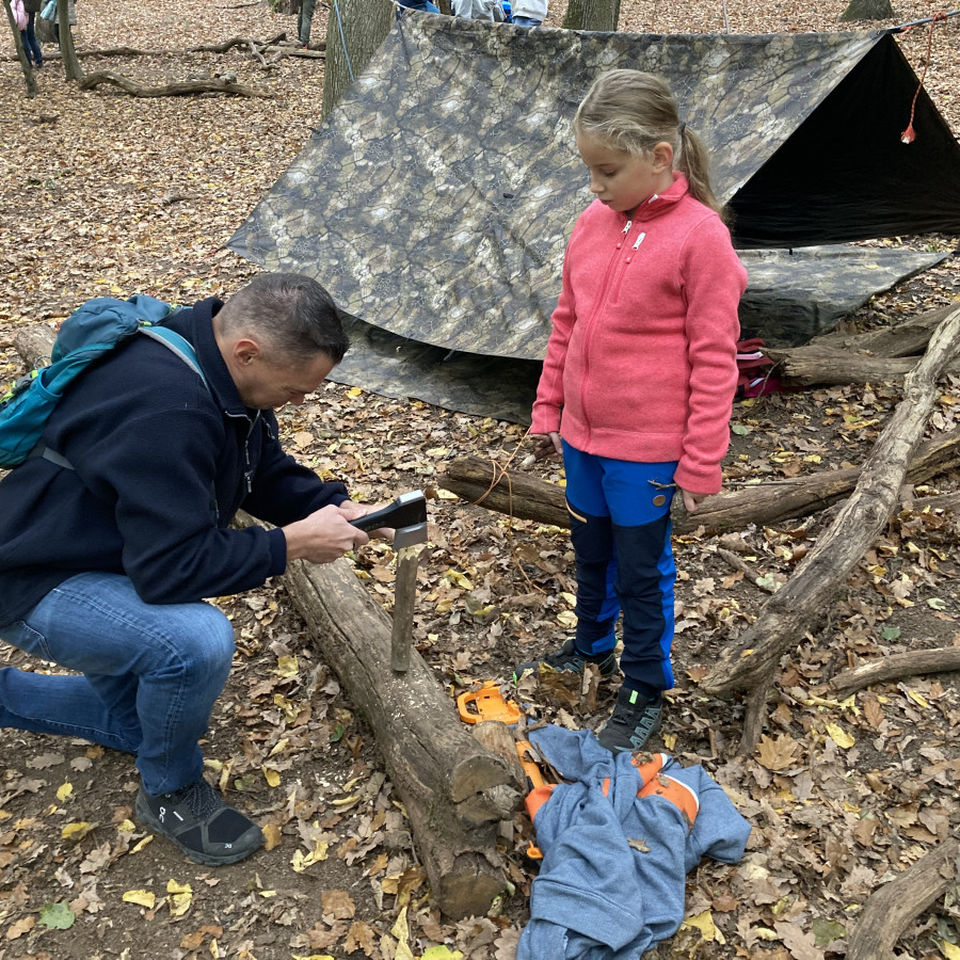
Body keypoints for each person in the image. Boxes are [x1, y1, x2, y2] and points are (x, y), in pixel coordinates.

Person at [0, 273, 387, 866]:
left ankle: (129, 731)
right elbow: (173, 570)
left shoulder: (215, 364)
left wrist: (334, 506)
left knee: (135, 723)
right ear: (248, 351)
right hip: (35, 575)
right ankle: (171, 788)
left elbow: (262, 471)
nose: (301, 400)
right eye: (294, 389)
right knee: (193, 643)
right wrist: (287, 545)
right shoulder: (167, 407)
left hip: (106, 551)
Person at [517, 70, 748, 753]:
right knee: (590, 549)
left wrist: (702, 460)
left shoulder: (701, 238)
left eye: (608, 170)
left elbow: (716, 359)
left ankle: (645, 683)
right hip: (582, 439)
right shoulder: (592, 223)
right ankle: (590, 642)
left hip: (647, 449)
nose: (595, 185)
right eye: (588, 170)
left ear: (659, 158)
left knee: (642, 568)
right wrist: (548, 409)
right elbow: (567, 323)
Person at [18, 0, 44, 68]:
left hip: (22, 9)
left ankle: (28, 62)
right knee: (31, 36)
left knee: (23, 35)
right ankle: (39, 60)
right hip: (30, 9)